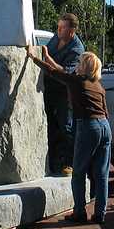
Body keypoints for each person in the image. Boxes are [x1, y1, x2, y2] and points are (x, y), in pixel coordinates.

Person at [27, 45, 111, 224]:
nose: (77, 64)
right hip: (105, 127)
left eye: (80, 62)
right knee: (102, 174)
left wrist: (33, 58)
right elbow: (62, 71)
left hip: (88, 126)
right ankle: (100, 214)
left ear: (85, 67)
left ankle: (79, 213)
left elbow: (53, 73)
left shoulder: (77, 81)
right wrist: (48, 56)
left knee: (79, 172)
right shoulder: (98, 86)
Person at [43, 13, 84, 174]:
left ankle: (70, 163)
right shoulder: (55, 38)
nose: (58, 30)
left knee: (66, 127)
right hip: (49, 88)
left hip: (64, 91)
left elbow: (65, 73)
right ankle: (52, 161)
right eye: (58, 26)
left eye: (62, 27)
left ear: (72, 31)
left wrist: (46, 57)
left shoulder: (76, 48)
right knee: (50, 126)